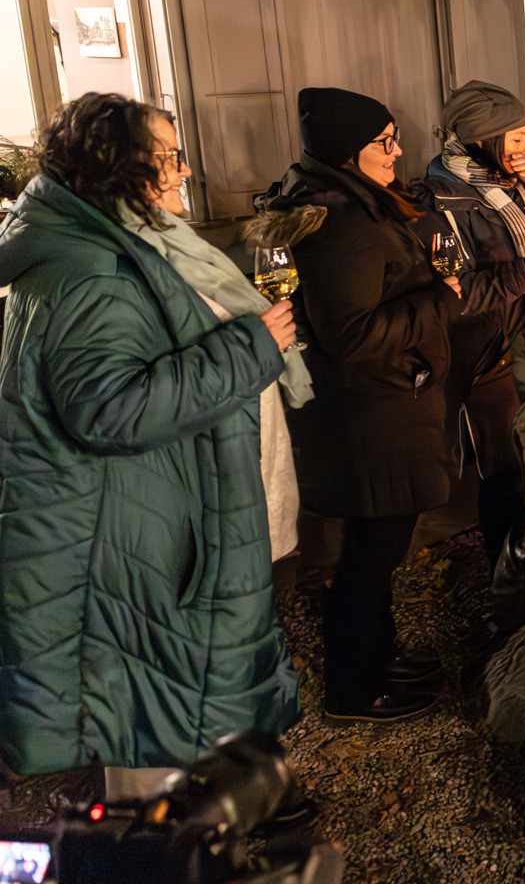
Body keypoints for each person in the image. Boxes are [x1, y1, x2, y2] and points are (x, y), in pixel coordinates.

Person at [0, 93, 298, 772]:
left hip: (128, 517)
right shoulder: (92, 271)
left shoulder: (97, 244)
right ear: (119, 169)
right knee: (136, 711)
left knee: (153, 696)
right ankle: (170, 835)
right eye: (168, 157)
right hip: (117, 534)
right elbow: (111, 410)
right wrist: (246, 351)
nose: (184, 172)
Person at [271, 87, 464, 725]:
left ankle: (377, 659)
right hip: (371, 415)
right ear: (350, 152)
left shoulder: (343, 202)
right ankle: (354, 691)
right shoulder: (344, 222)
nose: (398, 150)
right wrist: (443, 299)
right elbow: (349, 335)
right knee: (371, 556)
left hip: (375, 409)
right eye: (385, 141)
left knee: (374, 549)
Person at [418, 80, 525, 559]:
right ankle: (508, 579)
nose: (524, 150)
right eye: (513, 140)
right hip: (491, 354)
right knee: (507, 474)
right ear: (480, 140)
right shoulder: (438, 199)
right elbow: (452, 291)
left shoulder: (513, 186)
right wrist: (521, 274)